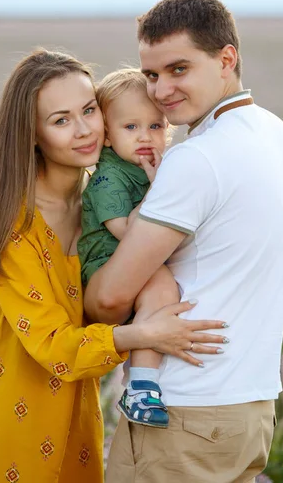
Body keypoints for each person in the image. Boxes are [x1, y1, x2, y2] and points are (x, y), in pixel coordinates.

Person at [0, 48, 229, 483]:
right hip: (5, 432)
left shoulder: (99, 205)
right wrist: (146, 334)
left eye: (89, 110)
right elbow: (56, 345)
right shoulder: (12, 226)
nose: (84, 131)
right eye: (60, 120)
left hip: (77, 425)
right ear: (32, 135)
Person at [84, 0, 283, 483]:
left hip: (181, 414)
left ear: (227, 59)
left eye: (178, 69)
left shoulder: (196, 158)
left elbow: (110, 298)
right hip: (249, 407)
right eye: (152, 74)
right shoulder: (275, 133)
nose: (161, 90)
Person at [78, 68, 200, 429]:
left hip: (129, 259)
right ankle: (140, 387)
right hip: (104, 264)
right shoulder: (106, 178)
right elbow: (129, 231)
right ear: (108, 136)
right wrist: (158, 187)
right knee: (161, 285)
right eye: (130, 128)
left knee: (162, 294)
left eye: (156, 126)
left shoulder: (148, 165)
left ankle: (143, 380)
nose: (145, 137)